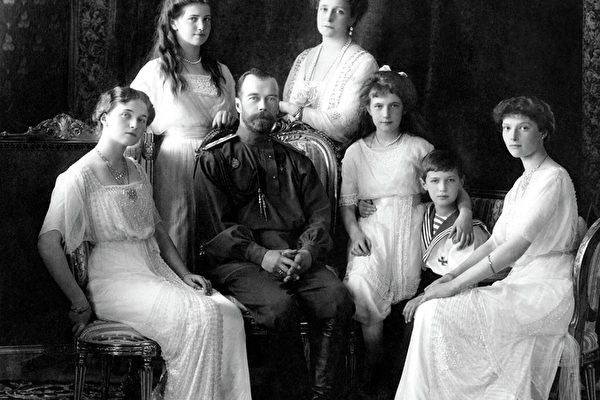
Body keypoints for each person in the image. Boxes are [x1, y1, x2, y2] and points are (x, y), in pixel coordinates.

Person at [37, 87, 251, 400]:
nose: (135, 124)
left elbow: (159, 230)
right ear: (103, 117)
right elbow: (47, 243)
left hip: (154, 270)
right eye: (126, 115)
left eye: (142, 119)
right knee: (200, 317)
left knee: (228, 313)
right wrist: (78, 301)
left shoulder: (136, 168)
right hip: (114, 281)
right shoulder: (78, 176)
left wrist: (183, 273)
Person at [395, 96, 581, 400]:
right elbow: (496, 241)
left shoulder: (553, 178)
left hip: (546, 290)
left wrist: (454, 286)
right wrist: (450, 275)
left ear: (543, 132)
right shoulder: (522, 183)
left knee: (433, 311)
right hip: (522, 283)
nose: (513, 136)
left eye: (524, 128)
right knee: (431, 311)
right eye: (507, 128)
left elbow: (513, 249)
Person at [195, 68, 354, 400]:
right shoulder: (215, 159)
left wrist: (307, 252)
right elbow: (215, 228)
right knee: (280, 308)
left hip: (296, 256)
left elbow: (319, 215)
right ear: (238, 104)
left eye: (270, 99)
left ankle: (321, 396)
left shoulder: (297, 161)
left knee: (337, 301)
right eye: (254, 98)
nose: (263, 106)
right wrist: (261, 255)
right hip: (239, 261)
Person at [339, 69, 474, 396]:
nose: (386, 114)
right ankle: (374, 367)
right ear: (368, 109)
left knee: (415, 297)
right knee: (362, 286)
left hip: (414, 228)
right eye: (379, 106)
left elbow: (449, 183)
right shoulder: (355, 152)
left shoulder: (418, 147)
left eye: (394, 106)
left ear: (404, 109)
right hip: (373, 230)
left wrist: (466, 213)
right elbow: (346, 204)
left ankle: (403, 377)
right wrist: (355, 232)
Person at [130, 0, 236, 270]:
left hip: (216, 159)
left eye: (207, 19)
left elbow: (237, 118)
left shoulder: (221, 72)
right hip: (175, 159)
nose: (202, 26)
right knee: (177, 223)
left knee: (214, 225)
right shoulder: (156, 71)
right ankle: (179, 281)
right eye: (193, 19)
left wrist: (228, 121)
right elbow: (132, 114)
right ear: (174, 22)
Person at [402, 149, 490, 325]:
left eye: (450, 180)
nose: (442, 188)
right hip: (425, 283)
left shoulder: (467, 230)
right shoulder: (423, 212)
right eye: (435, 181)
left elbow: (462, 282)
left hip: (454, 290)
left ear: (461, 182)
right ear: (423, 183)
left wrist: (422, 297)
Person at [280, 0, 378, 149]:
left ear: (352, 18)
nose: (328, 17)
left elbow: (346, 126)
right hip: (290, 154)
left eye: (339, 11)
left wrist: (297, 111)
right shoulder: (303, 58)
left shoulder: (363, 63)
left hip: (334, 157)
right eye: (324, 9)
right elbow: (285, 115)